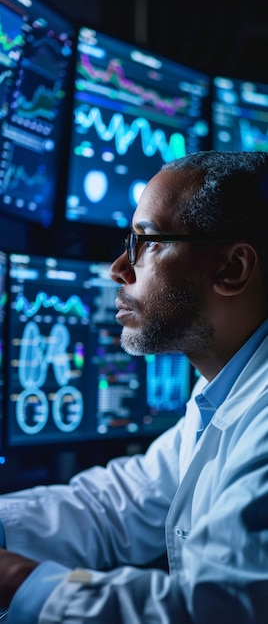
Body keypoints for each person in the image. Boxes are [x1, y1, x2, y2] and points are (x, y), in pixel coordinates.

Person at [0, 150, 268, 624]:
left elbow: (213, 611)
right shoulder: (224, 392)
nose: (119, 268)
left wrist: (16, 580)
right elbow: (117, 504)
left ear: (232, 270)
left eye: (145, 241)